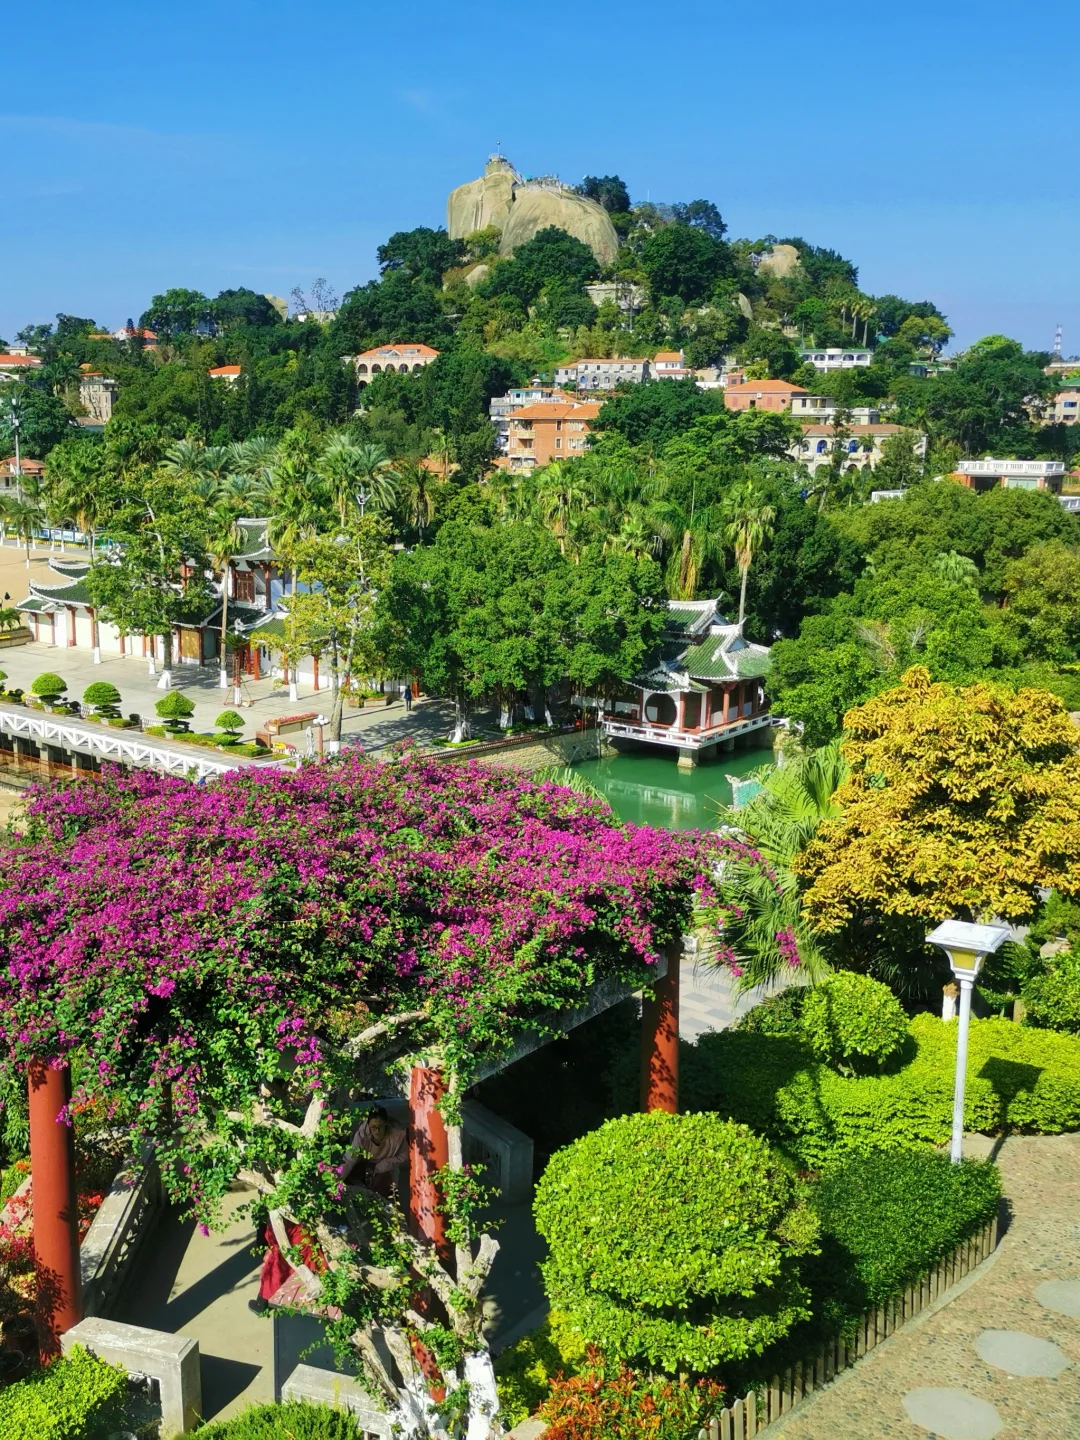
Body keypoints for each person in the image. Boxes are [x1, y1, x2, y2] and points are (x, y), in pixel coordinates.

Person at [341, 1106, 407, 1199]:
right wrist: (337, 1181)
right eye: (373, 1127)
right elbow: (350, 1158)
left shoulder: (397, 1135)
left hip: (387, 1167)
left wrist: (381, 1166)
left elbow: (403, 1155)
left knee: (390, 1195)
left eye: (380, 1126)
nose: (377, 1130)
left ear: (386, 1124)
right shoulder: (362, 1135)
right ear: (368, 1125)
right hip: (364, 1165)